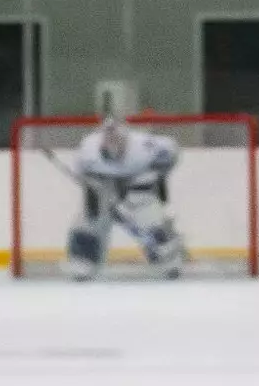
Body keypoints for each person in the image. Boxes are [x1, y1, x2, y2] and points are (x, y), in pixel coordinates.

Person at [63, 115, 186, 281]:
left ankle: (168, 258)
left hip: (138, 179)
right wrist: (101, 193)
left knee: (148, 214)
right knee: (91, 220)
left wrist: (143, 183)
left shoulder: (146, 146)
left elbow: (171, 155)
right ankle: (84, 260)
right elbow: (86, 176)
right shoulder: (88, 149)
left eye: (117, 139)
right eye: (108, 138)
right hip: (105, 183)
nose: (112, 142)